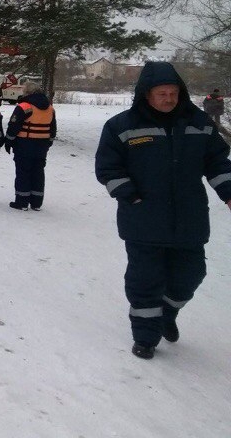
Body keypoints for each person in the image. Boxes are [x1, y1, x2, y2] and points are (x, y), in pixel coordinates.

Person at [95, 61, 231, 360]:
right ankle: (146, 336)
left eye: (174, 93)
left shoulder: (199, 124)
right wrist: (128, 194)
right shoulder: (122, 126)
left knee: (191, 274)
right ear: (147, 95)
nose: (169, 98)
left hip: (189, 218)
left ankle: (167, 312)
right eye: (162, 93)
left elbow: (218, 163)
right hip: (143, 219)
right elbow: (108, 166)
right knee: (145, 280)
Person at [4, 82, 56, 210]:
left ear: (27, 92)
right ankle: (36, 203)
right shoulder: (50, 108)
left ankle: (22, 202)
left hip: (24, 144)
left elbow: (13, 126)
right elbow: (53, 128)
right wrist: (49, 142)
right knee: (38, 172)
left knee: (23, 172)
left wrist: (8, 141)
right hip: (42, 145)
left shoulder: (24, 106)